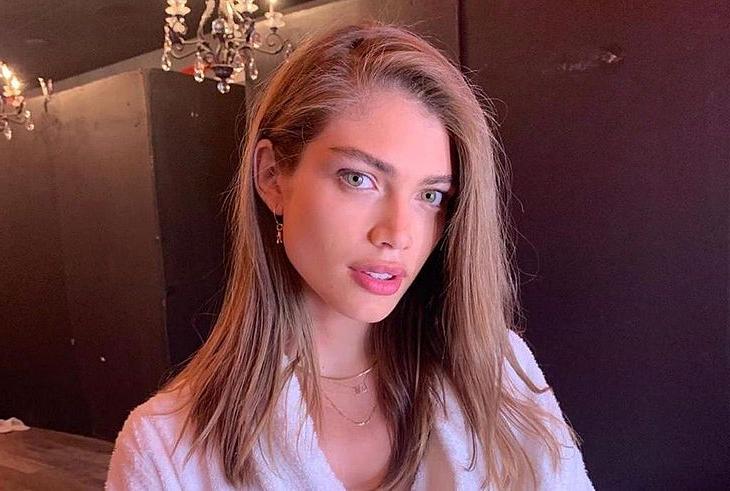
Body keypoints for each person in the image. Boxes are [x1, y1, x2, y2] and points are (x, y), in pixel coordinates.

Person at [105, 21, 594, 490]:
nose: (398, 234)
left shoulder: (500, 371)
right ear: (272, 177)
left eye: (430, 196)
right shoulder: (165, 449)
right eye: (359, 179)